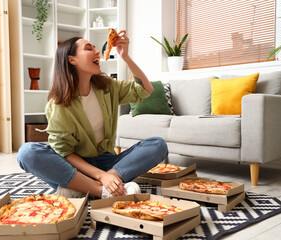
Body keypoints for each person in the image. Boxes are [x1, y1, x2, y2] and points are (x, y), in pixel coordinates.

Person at [17, 30, 168, 198]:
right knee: (27, 152)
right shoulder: (58, 104)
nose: (97, 51)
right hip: (75, 169)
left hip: (109, 163)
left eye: (95, 48)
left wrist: (125, 57)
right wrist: (101, 177)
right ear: (72, 59)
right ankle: (101, 190)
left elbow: (146, 89)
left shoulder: (108, 87)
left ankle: (87, 188)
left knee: (158, 144)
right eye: (89, 48)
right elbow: (65, 153)